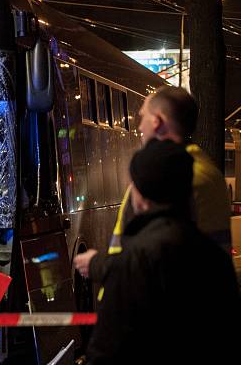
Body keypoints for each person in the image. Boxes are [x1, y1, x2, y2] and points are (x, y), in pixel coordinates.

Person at [44, 139, 241, 365]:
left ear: (140, 195)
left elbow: (105, 358)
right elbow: (228, 355)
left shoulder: (134, 262)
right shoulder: (216, 262)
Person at [74, 86, 231, 285]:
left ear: (157, 121)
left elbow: (154, 255)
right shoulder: (206, 171)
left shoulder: (173, 177)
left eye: (143, 117)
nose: (139, 127)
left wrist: (98, 264)